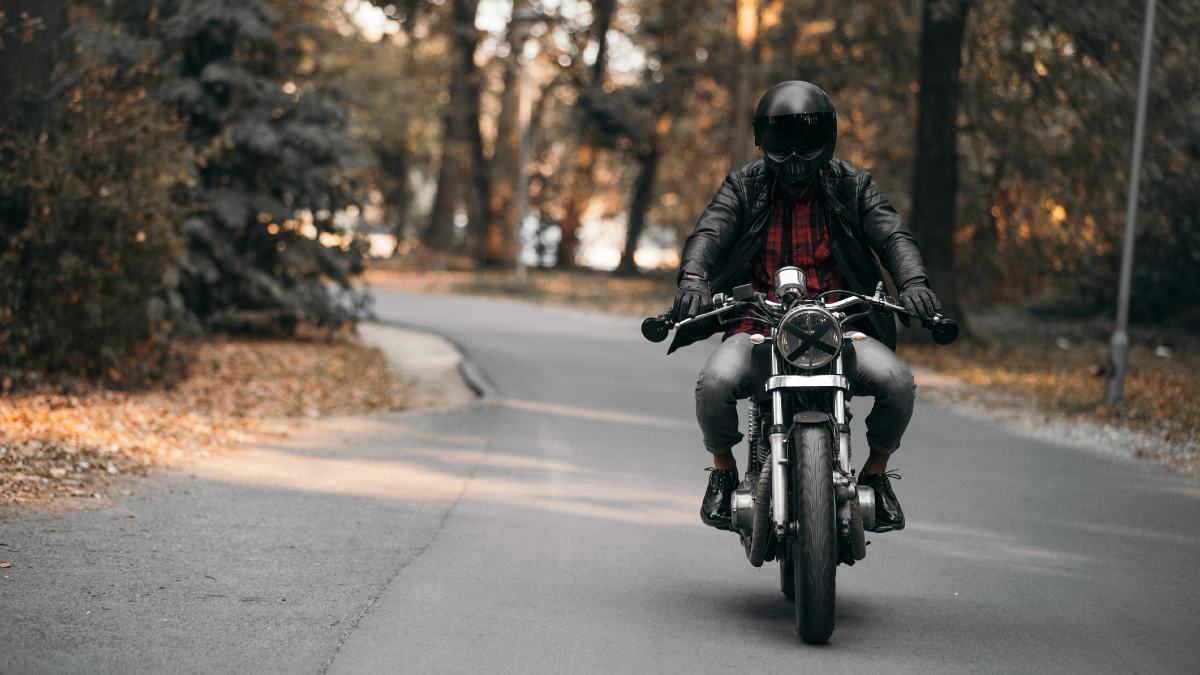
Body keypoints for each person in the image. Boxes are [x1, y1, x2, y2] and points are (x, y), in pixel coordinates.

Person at [669, 81, 942, 533]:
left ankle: (876, 473)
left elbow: (893, 234)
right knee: (715, 383)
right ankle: (722, 470)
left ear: (827, 138)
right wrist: (695, 279)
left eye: (806, 141)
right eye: (783, 142)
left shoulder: (854, 186)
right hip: (758, 321)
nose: (794, 155)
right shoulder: (744, 186)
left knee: (898, 383)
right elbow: (709, 233)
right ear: (763, 140)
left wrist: (913, 282)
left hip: (839, 322)